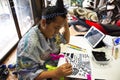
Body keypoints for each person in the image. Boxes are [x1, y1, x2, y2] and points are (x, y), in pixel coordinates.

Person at [16, 0, 72, 80]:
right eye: (56, 28)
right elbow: (25, 76)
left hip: (50, 64)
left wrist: (65, 24)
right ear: (43, 23)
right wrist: (55, 73)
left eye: (59, 28)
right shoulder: (30, 45)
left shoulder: (50, 31)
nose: (57, 32)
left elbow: (66, 40)